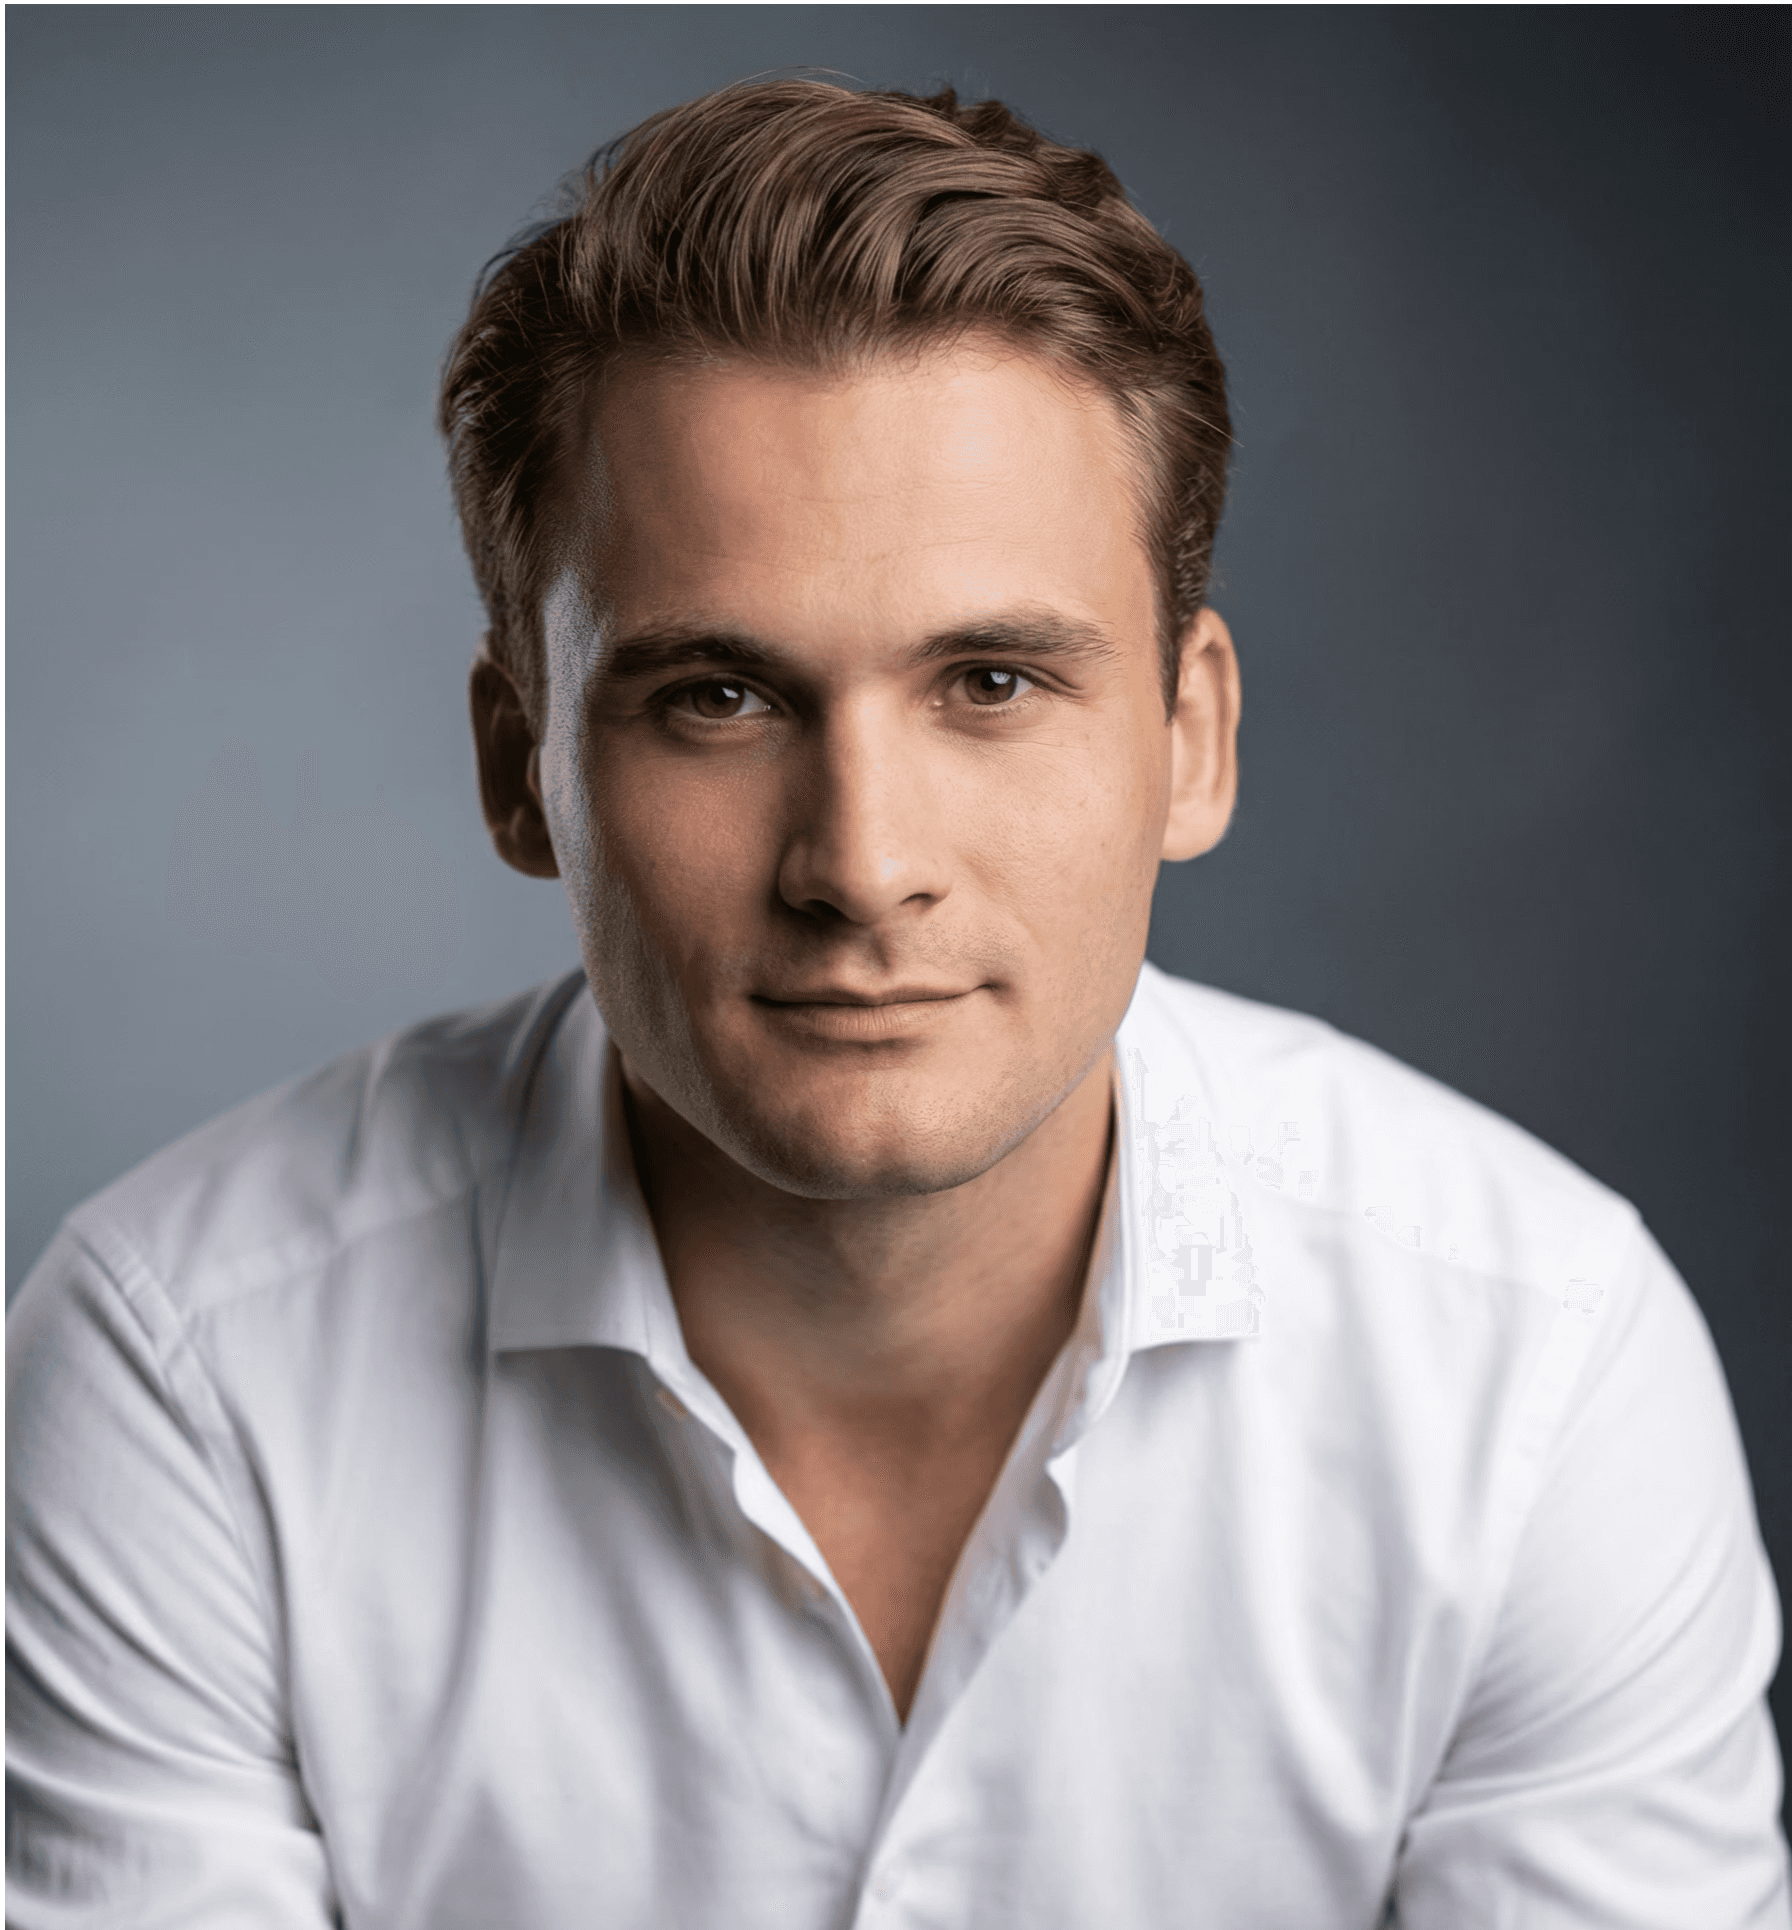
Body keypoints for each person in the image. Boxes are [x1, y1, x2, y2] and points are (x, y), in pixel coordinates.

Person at [5, 77, 1785, 1929]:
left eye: (994, 681)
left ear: (1192, 737)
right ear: (518, 762)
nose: (861, 863)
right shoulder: (188, 1376)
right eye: (718, 696)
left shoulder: (1534, 1373)